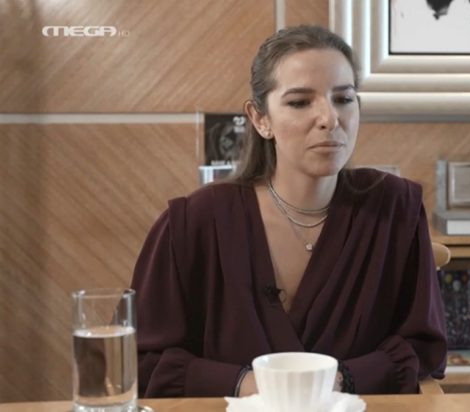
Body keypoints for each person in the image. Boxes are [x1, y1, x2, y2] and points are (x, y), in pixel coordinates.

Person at [131, 25, 447, 398]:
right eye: (300, 102)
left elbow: (423, 348)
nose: (330, 118)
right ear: (260, 118)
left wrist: (336, 381)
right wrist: (253, 386)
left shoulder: (396, 208)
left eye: (344, 98)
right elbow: (145, 363)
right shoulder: (192, 223)